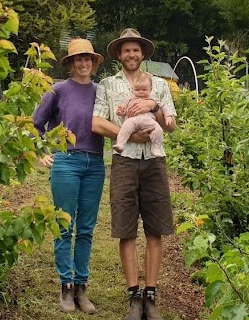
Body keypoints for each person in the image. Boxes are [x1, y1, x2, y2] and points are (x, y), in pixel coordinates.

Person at [92, 28, 177, 320]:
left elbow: (171, 126)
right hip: (124, 162)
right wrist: (127, 135)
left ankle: (150, 295)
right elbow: (97, 123)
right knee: (126, 228)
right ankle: (133, 295)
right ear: (119, 54)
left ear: (143, 54)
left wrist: (153, 106)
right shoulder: (106, 84)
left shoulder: (160, 85)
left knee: (155, 228)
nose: (132, 54)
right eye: (126, 50)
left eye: (136, 50)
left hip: (154, 163)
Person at [32, 38, 106, 314]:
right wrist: (40, 151)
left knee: (86, 229)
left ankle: (81, 287)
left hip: (95, 165)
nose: (83, 63)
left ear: (94, 62)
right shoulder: (58, 90)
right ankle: (66, 287)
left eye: (88, 59)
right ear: (71, 63)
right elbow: (35, 124)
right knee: (64, 226)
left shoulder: (100, 92)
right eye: (78, 59)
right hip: (66, 161)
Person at [113, 72, 175, 157]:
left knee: (158, 130)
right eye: (137, 90)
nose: (141, 92)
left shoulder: (153, 99)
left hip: (149, 122)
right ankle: (120, 144)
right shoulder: (130, 99)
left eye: (144, 90)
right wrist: (120, 111)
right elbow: (123, 109)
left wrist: (168, 116)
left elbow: (164, 107)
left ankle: (156, 149)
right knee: (125, 127)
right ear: (133, 89)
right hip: (132, 120)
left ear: (150, 89)